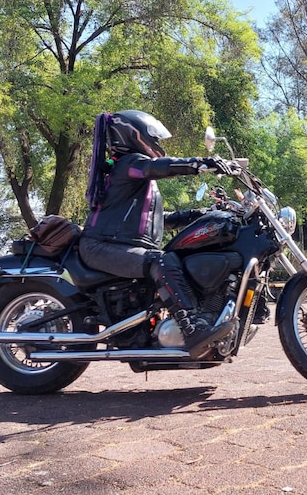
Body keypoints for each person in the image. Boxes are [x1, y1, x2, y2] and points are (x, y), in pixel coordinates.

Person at [79, 110, 239, 358]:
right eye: (153, 136)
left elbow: (158, 221)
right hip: (100, 246)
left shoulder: (136, 178)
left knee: (171, 256)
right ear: (133, 135)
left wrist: (203, 214)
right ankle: (192, 329)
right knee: (161, 260)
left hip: (120, 244)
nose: (158, 142)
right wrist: (201, 163)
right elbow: (159, 167)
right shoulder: (128, 164)